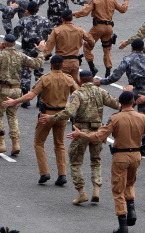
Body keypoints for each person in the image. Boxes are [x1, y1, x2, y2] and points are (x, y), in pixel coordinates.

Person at [69, 90, 145, 233]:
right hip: (136, 155)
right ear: (133, 102)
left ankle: (122, 223)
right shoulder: (141, 117)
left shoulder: (115, 118)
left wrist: (81, 134)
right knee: (130, 183)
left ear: (120, 103)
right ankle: (131, 209)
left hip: (120, 156)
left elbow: (98, 136)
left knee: (118, 189)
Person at [46, 69, 121, 204]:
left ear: (80, 81)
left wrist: (51, 118)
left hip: (81, 131)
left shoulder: (78, 94)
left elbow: (69, 112)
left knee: (76, 161)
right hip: (98, 131)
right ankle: (96, 189)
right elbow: (117, 104)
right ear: (92, 80)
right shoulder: (100, 92)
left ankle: (81, 192)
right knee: (96, 160)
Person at [5, 55, 79, 184]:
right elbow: (78, 95)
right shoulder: (68, 79)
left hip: (46, 115)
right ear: (62, 65)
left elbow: (30, 96)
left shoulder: (45, 79)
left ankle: (44, 172)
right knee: (60, 144)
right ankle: (62, 174)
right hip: (62, 115)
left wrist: (14, 101)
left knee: (39, 143)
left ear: (51, 65)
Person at [102, 38, 145, 156]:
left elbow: (115, 77)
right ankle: (144, 145)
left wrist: (101, 81)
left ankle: (108, 135)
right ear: (143, 48)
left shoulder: (127, 59)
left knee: (121, 113)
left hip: (132, 90)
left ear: (132, 48)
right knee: (144, 118)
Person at [73, 0, 129, 77]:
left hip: (98, 27)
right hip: (109, 28)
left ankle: (92, 67)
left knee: (87, 46)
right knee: (107, 49)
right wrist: (126, 1)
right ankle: (108, 72)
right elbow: (123, 10)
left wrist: (73, 14)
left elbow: (84, 12)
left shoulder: (95, 1)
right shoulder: (112, 0)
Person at [11, 1, 53, 103]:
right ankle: (40, 98)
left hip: (28, 49)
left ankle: (25, 98)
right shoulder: (45, 21)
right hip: (40, 49)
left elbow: (14, 35)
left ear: (27, 11)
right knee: (39, 74)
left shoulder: (23, 21)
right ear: (38, 10)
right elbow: (53, 33)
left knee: (25, 74)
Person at [43, 9, 95, 79]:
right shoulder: (80, 30)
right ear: (72, 18)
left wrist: (40, 58)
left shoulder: (57, 30)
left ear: (62, 19)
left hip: (61, 62)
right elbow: (91, 40)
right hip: (74, 61)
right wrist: (89, 47)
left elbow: (48, 47)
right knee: (74, 85)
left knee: (60, 83)